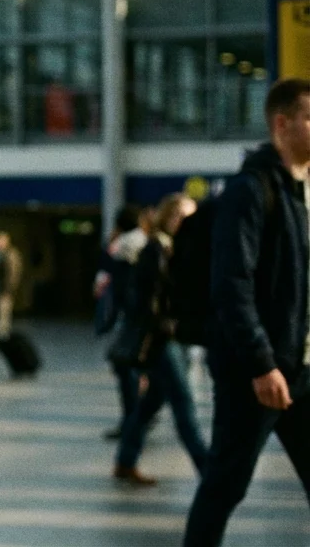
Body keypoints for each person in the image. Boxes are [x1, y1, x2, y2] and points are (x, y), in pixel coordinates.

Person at [184, 78, 310, 546]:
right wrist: (261, 363)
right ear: (282, 124)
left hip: (301, 369)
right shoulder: (250, 192)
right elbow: (231, 285)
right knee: (225, 485)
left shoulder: (301, 194)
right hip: (253, 374)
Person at [112, 193, 207, 486]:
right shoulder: (156, 250)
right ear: (167, 217)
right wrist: (170, 324)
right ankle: (209, 471)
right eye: (182, 217)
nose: (188, 224)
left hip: (169, 336)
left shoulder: (176, 249)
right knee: (183, 402)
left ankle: (125, 461)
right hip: (162, 339)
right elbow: (145, 301)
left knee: (150, 404)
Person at [96, 206, 149, 440]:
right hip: (143, 319)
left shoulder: (124, 246)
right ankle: (138, 418)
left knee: (127, 371)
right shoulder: (145, 241)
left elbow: (119, 287)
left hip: (130, 320)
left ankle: (134, 419)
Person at [0, 231, 23, 341]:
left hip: (4, 288)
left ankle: (2, 336)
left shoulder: (11, 254)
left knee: (3, 313)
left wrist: (10, 289)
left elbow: (14, 273)